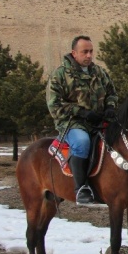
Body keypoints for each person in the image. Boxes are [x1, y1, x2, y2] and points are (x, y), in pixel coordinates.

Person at [47, 35, 118, 205]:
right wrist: (82, 113)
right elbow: (54, 105)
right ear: (74, 53)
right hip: (72, 123)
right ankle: (81, 189)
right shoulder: (60, 75)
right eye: (84, 52)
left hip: (99, 121)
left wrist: (110, 107)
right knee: (82, 142)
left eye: (91, 51)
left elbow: (112, 93)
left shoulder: (99, 73)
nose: (88, 55)